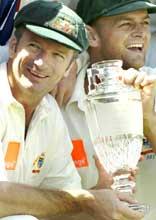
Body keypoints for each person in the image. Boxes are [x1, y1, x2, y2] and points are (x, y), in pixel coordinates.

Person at [0, 1, 144, 220]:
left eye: (58, 55)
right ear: (12, 46)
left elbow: (64, 204)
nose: (41, 63)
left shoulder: (50, 112)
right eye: (34, 47)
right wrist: (86, 201)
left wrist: (99, 195)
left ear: (69, 68)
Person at [60, 0, 156, 219]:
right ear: (91, 36)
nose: (141, 32)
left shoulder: (153, 85)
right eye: (126, 24)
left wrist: (148, 119)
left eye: (145, 23)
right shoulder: (60, 92)